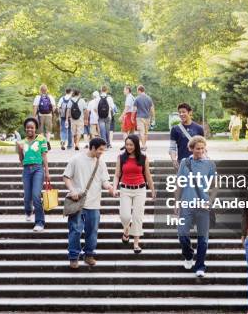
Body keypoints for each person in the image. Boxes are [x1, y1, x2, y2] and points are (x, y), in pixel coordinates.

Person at [63, 138, 115, 269]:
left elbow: (104, 180)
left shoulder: (101, 163)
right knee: (75, 230)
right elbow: (66, 176)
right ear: (92, 147)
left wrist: (109, 187)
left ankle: (89, 254)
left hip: (94, 203)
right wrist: (72, 190)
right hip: (78, 202)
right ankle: (74, 257)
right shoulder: (76, 159)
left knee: (92, 231)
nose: (102, 152)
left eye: (103, 149)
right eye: (100, 150)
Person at [174, 136, 217, 277]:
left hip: (203, 206)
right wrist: (176, 201)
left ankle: (200, 266)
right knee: (182, 234)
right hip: (186, 203)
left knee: (203, 239)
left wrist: (209, 201)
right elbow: (179, 184)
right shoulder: (185, 163)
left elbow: (215, 186)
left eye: (202, 148)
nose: (200, 151)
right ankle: (188, 255)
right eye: (197, 148)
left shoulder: (210, 164)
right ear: (191, 149)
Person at [113, 134, 156, 253]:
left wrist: (152, 190)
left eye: (131, 145)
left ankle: (136, 243)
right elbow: (117, 175)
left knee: (137, 217)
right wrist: (114, 188)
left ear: (136, 145)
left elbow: (147, 175)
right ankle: (126, 230)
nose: (129, 147)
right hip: (125, 189)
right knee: (125, 216)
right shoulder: (121, 158)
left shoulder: (143, 158)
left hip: (140, 190)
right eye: (127, 144)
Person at [16, 117, 50, 231]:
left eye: (32, 127)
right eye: (27, 127)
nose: (29, 129)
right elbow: (21, 159)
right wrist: (20, 149)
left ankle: (40, 222)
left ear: (35, 128)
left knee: (36, 195)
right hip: (26, 169)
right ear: (25, 129)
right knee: (27, 196)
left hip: (38, 169)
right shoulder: (22, 142)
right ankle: (28, 211)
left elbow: (44, 155)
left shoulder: (41, 139)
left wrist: (47, 172)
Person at [169, 103, 205, 171]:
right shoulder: (175, 129)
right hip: (182, 162)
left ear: (190, 112)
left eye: (183, 112)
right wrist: (174, 160)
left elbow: (203, 147)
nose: (181, 114)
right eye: (179, 112)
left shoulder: (199, 128)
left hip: (197, 162)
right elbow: (172, 147)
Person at [32, 84, 56, 150]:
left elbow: (35, 107)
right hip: (49, 115)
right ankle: (48, 141)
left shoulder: (37, 97)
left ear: (40, 90)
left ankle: (43, 144)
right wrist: (52, 113)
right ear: (46, 90)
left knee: (41, 130)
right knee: (48, 130)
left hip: (40, 115)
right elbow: (54, 107)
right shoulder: (50, 97)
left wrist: (34, 116)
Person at [133, 85, 155, 151]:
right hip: (147, 117)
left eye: (137, 91)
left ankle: (143, 145)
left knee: (141, 132)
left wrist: (132, 117)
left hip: (139, 117)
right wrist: (153, 117)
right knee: (146, 132)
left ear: (139, 90)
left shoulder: (137, 98)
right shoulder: (149, 98)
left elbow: (134, 109)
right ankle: (144, 145)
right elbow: (152, 109)